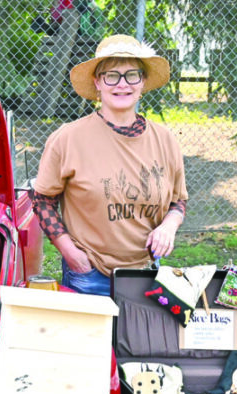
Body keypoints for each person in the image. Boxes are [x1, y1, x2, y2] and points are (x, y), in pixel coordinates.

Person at [31, 34, 187, 295]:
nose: (122, 84)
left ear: (143, 81)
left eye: (132, 75)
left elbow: (178, 201)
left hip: (147, 274)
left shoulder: (165, 140)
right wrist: (71, 254)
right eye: (111, 75)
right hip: (90, 274)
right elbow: (42, 200)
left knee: (141, 338)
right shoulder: (68, 139)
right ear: (97, 83)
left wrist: (169, 226)